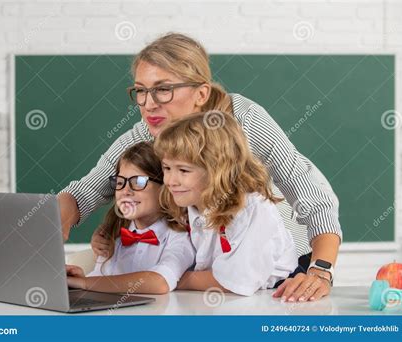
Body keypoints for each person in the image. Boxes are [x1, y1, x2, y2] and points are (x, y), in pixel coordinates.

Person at [58, 32, 342, 302]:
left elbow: (312, 196)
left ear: (201, 93)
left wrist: (320, 269)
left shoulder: (243, 119)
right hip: (204, 273)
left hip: (277, 275)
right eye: (141, 91)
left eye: (163, 90)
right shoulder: (147, 134)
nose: (148, 104)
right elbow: (86, 191)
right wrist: (52, 229)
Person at [154, 111, 298, 296]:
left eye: (183, 170)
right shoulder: (187, 201)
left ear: (217, 169)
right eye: (167, 168)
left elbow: (235, 281)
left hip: (271, 297)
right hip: (204, 295)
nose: (171, 180)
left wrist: (165, 279)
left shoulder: (253, 208)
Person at [66, 142, 195, 294]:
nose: (125, 191)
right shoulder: (114, 233)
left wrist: (85, 283)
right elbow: (101, 279)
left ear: (165, 187)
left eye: (138, 182)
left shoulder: (180, 236)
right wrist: (81, 279)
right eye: (120, 182)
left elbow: (161, 282)